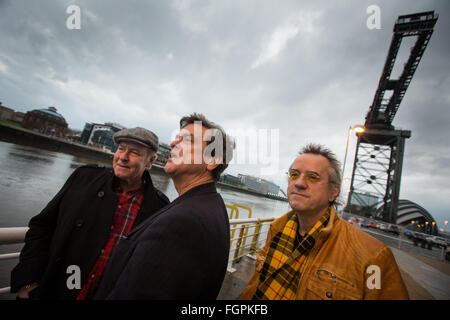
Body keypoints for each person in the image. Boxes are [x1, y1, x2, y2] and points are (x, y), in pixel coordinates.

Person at [11, 127, 170, 299]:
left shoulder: (158, 206)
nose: (123, 157)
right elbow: (41, 227)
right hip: (54, 290)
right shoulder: (84, 178)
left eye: (134, 152)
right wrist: (28, 280)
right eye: (121, 149)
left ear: (150, 161)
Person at [241, 143, 409, 300]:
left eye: (313, 177)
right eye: (294, 175)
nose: (299, 183)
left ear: (333, 192)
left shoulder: (373, 257)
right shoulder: (276, 229)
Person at [94, 113, 234, 299]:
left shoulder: (184, 221)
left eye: (187, 140)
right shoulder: (209, 206)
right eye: (176, 138)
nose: (174, 144)